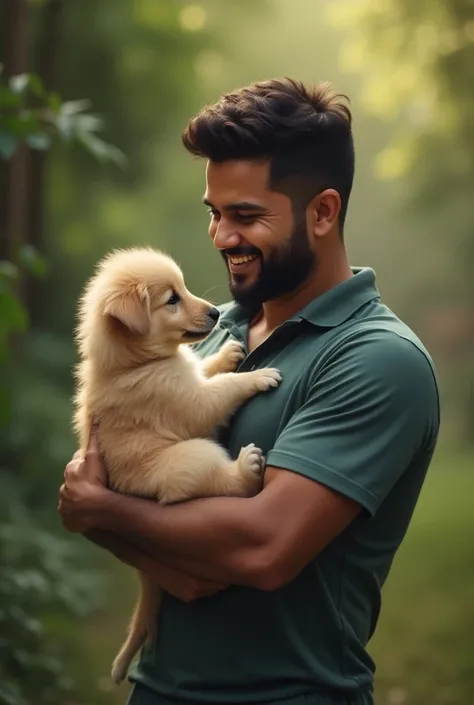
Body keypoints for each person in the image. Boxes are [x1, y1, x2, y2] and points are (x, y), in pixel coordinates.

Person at [58, 78, 440, 705]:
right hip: (158, 691)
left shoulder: (376, 359)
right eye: (214, 212)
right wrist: (124, 526)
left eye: (246, 216)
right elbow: (112, 473)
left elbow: (262, 547)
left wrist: (102, 513)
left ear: (322, 212)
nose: (221, 237)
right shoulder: (214, 333)